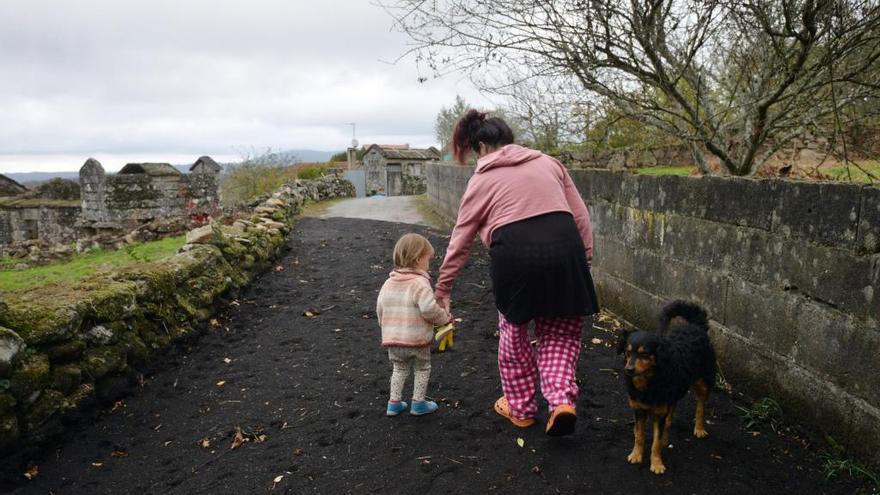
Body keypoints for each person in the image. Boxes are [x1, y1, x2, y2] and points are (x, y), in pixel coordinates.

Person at [434, 109, 599, 436]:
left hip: (515, 257)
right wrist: (584, 262)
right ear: (510, 140)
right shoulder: (550, 163)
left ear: (480, 146)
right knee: (561, 331)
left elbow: (460, 240)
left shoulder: (481, 180)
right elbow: (580, 217)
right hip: (566, 250)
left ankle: (521, 408)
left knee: (515, 332)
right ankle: (561, 401)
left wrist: (443, 290)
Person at [377, 233, 452, 416]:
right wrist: (444, 318)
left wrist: (386, 328)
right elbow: (428, 309)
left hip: (393, 340)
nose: (429, 264)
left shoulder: (388, 283)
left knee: (399, 368)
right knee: (422, 368)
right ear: (419, 259)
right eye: (428, 259)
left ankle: (394, 403)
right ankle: (418, 403)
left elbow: (380, 309)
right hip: (416, 339)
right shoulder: (419, 283)